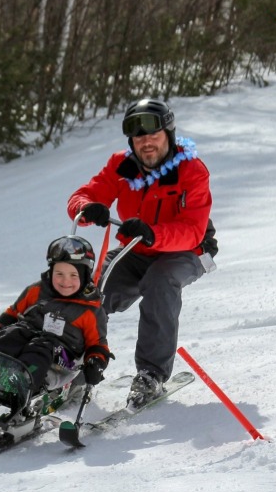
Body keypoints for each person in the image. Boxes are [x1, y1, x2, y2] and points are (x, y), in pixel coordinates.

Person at [67, 98, 217, 409]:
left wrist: (153, 233)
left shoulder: (191, 170)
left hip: (187, 250)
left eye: (153, 135)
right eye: (138, 138)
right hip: (136, 249)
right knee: (90, 290)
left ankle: (151, 374)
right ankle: (76, 368)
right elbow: (84, 194)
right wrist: (87, 206)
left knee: (160, 282)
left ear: (169, 134)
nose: (146, 143)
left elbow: (192, 228)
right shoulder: (122, 165)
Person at [0, 235, 113, 410]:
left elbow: (98, 344)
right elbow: (13, 313)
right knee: (13, 333)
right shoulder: (37, 290)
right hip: (30, 334)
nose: (65, 281)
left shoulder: (90, 310)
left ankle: (24, 380)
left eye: (73, 275)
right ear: (51, 272)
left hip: (64, 356)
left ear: (85, 276)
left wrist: (96, 363)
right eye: (59, 274)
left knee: (41, 346)